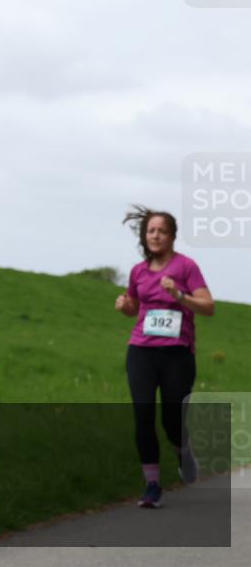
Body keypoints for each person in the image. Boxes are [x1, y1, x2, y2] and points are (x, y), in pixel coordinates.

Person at [115, 206, 215, 509]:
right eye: (150, 231)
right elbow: (135, 307)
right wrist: (125, 306)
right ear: (145, 236)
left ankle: (183, 451)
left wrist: (180, 296)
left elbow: (209, 307)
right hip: (142, 351)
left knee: (172, 418)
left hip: (177, 354)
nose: (155, 235)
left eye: (161, 231)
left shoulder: (186, 267)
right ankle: (152, 485)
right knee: (143, 414)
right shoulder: (138, 271)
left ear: (172, 236)